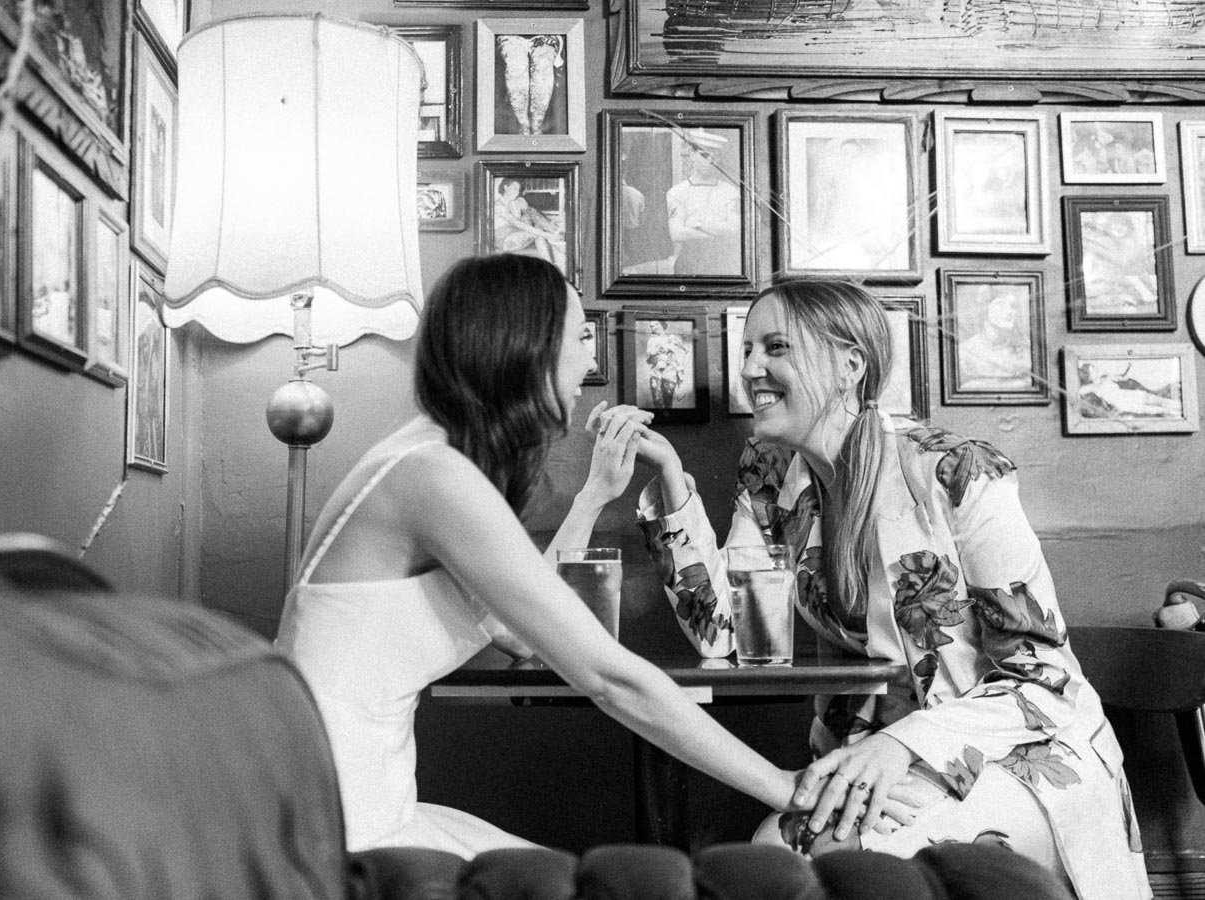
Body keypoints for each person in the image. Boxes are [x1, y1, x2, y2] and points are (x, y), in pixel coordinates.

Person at [274, 256, 892, 859]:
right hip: (334, 828)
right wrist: (786, 787)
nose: (593, 360)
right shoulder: (432, 476)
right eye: (581, 337)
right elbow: (610, 678)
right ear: (527, 347)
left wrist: (595, 495)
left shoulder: (432, 459)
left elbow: (515, 632)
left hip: (363, 802)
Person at [584, 280, 1151, 900]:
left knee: (841, 854)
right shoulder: (770, 477)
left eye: (775, 347)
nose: (748, 369)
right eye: (747, 349)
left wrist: (899, 745)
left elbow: (1043, 675)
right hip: (868, 757)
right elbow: (722, 632)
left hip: (1019, 756)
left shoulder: (959, 472)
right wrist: (670, 478)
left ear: (851, 364)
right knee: (778, 846)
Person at [666, 131, 741, 275]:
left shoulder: (730, 191)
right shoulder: (677, 192)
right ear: (692, 155)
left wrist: (698, 224)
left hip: (723, 262)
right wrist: (718, 232)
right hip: (689, 263)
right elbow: (676, 234)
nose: (710, 160)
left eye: (715, 155)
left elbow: (734, 229)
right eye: (704, 154)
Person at [956, 285, 1031, 391]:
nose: (1009, 311)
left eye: (1013, 306)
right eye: (1000, 304)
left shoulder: (1026, 350)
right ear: (984, 308)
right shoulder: (964, 351)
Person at [494, 178, 566, 272]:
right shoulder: (498, 206)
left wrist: (524, 206)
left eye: (518, 190)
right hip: (504, 241)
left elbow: (527, 217)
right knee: (539, 233)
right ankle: (555, 233)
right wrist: (546, 234)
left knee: (531, 214)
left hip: (514, 233)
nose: (517, 192)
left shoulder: (512, 203)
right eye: (514, 189)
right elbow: (519, 224)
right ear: (506, 187)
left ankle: (550, 266)